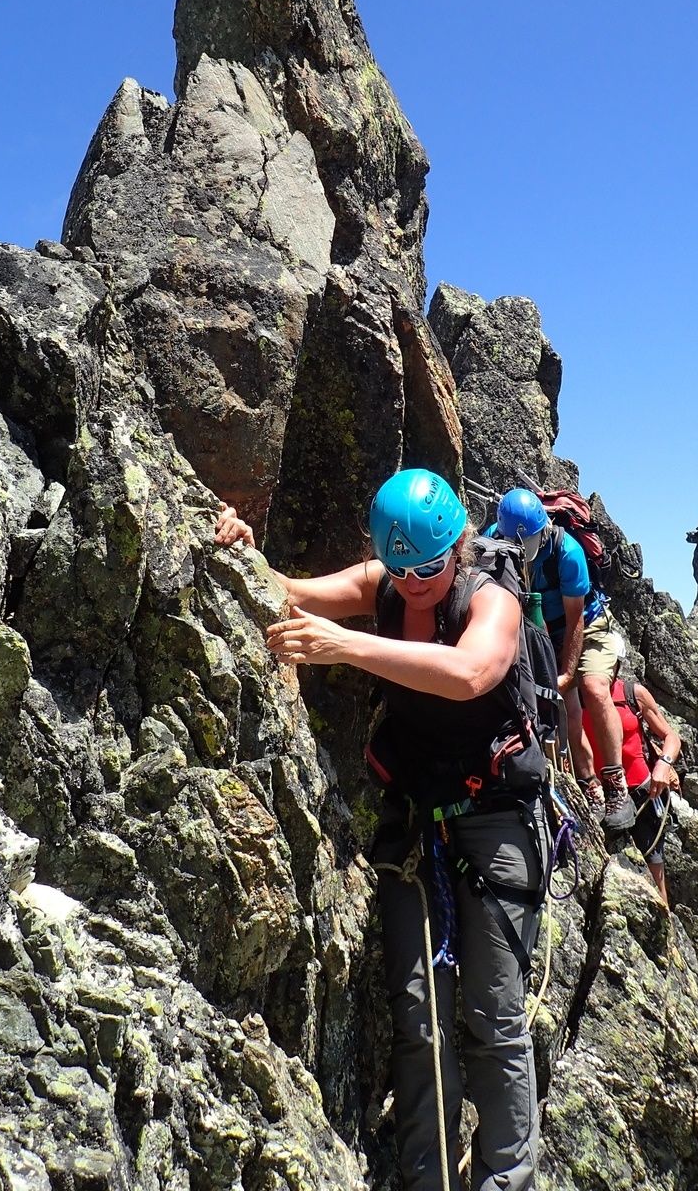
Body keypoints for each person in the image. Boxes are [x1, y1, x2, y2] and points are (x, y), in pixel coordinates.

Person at [220, 472, 544, 1191]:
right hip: (416, 824)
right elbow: (289, 588)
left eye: (430, 566)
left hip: (494, 820)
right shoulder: (390, 584)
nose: (418, 583)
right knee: (420, 1017)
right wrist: (246, 552)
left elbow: (471, 672)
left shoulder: (490, 595)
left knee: (494, 1017)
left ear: (458, 546)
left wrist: (349, 647)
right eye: (401, 570)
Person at [489, 488, 635, 830]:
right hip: (536, 630)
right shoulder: (494, 543)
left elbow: (575, 623)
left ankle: (616, 785)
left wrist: (566, 673)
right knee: (564, 706)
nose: (521, 553)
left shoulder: (567, 552)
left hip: (585, 625)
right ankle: (589, 786)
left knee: (593, 688)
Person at [581, 676, 681, 906]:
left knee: (654, 872)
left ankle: (666, 933)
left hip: (643, 792)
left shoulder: (631, 693)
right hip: (600, 796)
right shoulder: (576, 696)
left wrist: (664, 764)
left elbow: (671, 737)